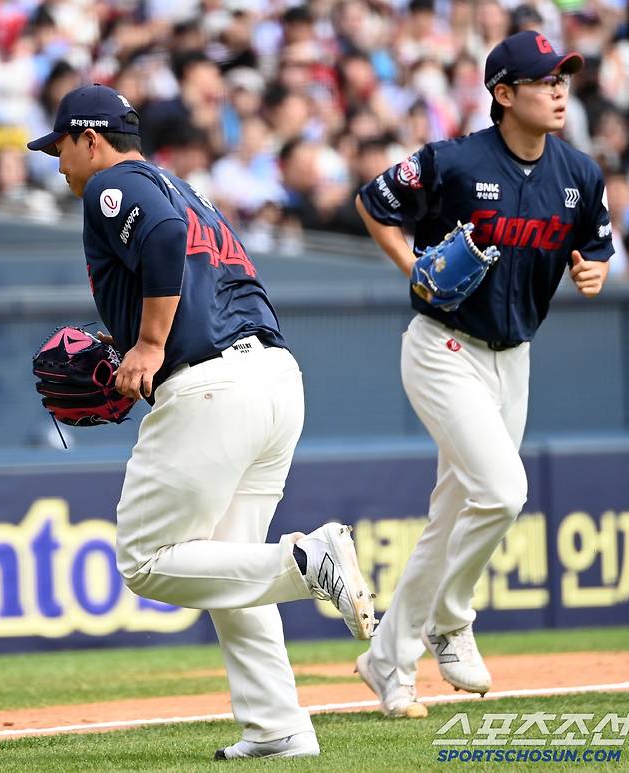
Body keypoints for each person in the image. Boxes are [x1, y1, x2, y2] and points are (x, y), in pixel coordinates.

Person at [27, 84, 375, 760]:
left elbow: (160, 238)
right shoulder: (185, 188)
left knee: (146, 558)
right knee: (228, 568)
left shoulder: (114, 184)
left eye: (61, 147)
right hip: (273, 377)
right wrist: (136, 333)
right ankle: (278, 726)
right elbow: (203, 269)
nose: (58, 163)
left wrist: (151, 343)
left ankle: (310, 560)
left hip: (211, 387)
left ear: (89, 138)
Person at [355, 30, 612, 718]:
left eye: (564, 78)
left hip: (514, 359)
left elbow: (596, 243)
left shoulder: (580, 174)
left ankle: (389, 660)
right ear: (503, 94)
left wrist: (593, 269)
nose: (559, 90)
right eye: (543, 80)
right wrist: (413, 269)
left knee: (452, 515)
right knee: (500, 492)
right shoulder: (456, 160)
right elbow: (373, 202)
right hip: (443, 346)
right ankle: (452, 615)